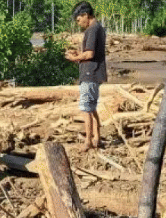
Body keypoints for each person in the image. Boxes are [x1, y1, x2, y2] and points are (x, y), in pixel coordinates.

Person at [65, 1, 107, 151]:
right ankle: (97, 137)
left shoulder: (92, 30)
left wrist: (74, 58)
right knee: (92, 107)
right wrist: (79, 55)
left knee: (86, 108)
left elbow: (89, 54)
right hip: (95, 72)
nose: (79, 23)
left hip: (90, 73)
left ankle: (88, 142)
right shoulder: (98, 28)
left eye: (78, 20)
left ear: (85, 15)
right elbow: (89, 53)